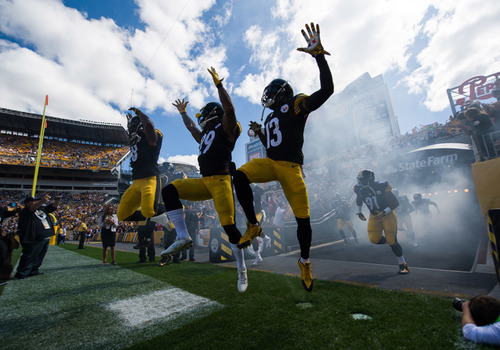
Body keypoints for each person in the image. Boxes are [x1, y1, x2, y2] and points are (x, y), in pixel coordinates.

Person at [233, 22, 333, 292]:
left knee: (303, 220)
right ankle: (254, 224)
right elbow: (271, 147)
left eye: (270, 94)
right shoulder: (272, 118)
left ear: (281, 93)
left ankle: (305, 261)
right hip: (272, 163)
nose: (266, 98)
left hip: (291, 168)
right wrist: (260, 134)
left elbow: (326, 91)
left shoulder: (296, 103)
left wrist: (319, 56)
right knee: (239, 175)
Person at [159, 67, 248, 291]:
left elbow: (229, 108)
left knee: (229, 228)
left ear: (213, 114)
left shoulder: (226, 127)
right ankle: (182, 237)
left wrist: (219, 85)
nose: (200, 120)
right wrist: (182, 113)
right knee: (170, 190)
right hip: (204, 180)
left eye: (203, 115)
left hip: (221, 182)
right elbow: (191, 128)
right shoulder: (206, 134)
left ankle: (242, 269)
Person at [116, 107, 168, 226]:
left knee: (149, 211)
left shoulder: (151, 137)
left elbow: (149, 125)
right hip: (136, 181)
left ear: (140, 126)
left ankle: (175, 207)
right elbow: (133, 137)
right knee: (122, 214)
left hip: (150, 178)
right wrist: (130, 126)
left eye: (133, 127)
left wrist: (139, 113)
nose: (131, 130)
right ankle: (156, 218)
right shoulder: (136, 140)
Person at [353, 169, 409, 274]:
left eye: (363, 179)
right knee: (374, 239)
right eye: (360, 179)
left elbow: (395, 203)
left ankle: (403, 264)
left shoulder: (381, 186)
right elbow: (359, 198)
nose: (361, 182)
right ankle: (390, 240)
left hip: (387, 215)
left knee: (393, 242)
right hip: (374, 216)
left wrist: (385, 212)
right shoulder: (359, 188)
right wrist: (359, 211)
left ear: (370, 179)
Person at [15, 194, 60, 279]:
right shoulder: (25, 211)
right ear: (27, 203)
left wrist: (57, 201)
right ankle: (22, 272)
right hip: (33, 237)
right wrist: (42, 200)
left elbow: (52, 207)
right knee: (30, 254)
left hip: (45, 235)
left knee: (40, 255)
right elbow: (32, 208)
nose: (35, 202)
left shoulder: (41, 209)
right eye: (33, 201)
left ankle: (34, 270)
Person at [0, 202, 21, 284]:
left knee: (4, 250)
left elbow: (12, 213)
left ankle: (2, 272)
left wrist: (17, 209)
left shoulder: (1, 210)